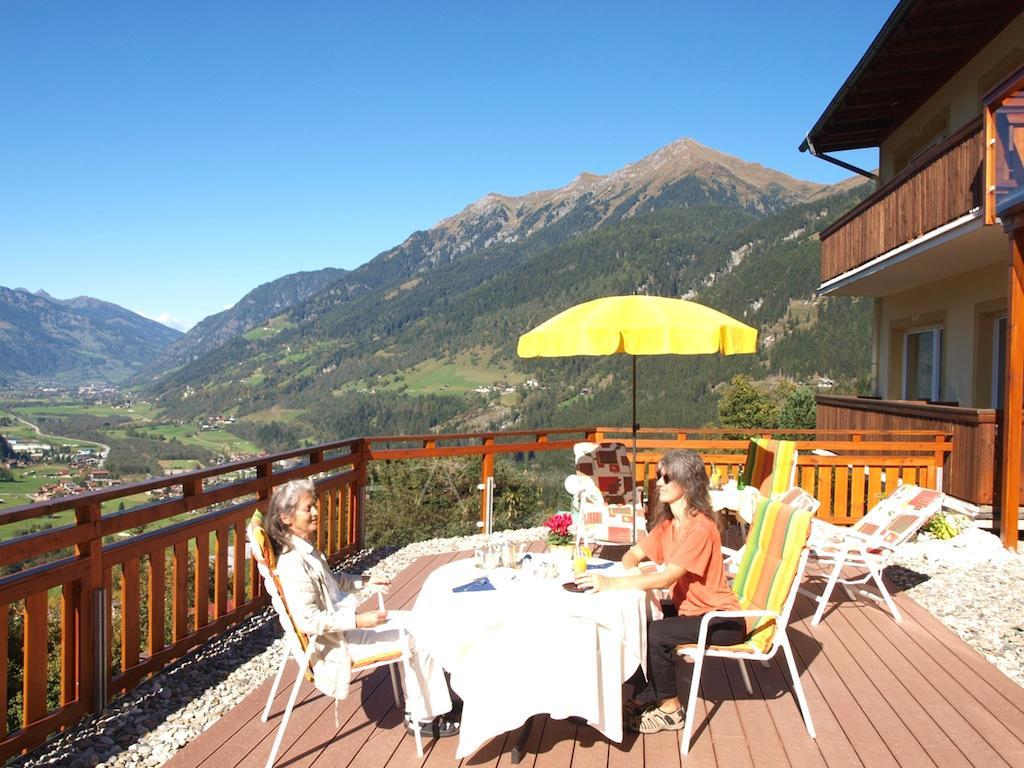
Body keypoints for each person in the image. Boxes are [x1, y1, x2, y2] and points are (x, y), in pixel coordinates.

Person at [264, 478, 459, 738]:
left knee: (421, 620)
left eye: (314, 505)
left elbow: (331, 580)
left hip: (344, 629)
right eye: (308, 508)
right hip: (338, 643)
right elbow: (308, 621)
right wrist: (358, 621)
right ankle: (421, 717)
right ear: (286, 518)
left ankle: (434, 697)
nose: (315, 512)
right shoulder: (293, 564)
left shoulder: (303, 549)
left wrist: (365, 581)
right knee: (420, 638)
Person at [575, 449, 743, 734]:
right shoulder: (669, 526)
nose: (660, 482)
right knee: (640, 619)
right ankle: (645, 696)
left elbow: (666, 578)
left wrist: (611, 583)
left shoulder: (700, 528)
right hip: (691, 612)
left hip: (721, 620)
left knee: (657, 634)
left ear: (687, 483)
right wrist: (630, 572)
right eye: (659, 476)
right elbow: (632, 555)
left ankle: (670, 708)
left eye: (667, 477)